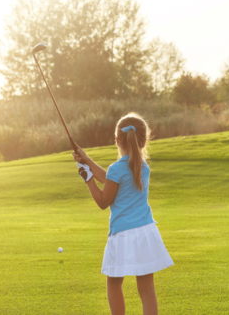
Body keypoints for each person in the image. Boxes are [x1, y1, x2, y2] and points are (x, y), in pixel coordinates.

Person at [73, 112, 173, 315]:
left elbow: (103, 201)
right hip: (145, 233)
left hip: (122, 235)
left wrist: (87, 178)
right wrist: (88, 160)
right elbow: (111, 178)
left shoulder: (117, 169)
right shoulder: (142, 167)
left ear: (117, 139)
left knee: (114, 285)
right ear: (143, 141)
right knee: (146, 289)